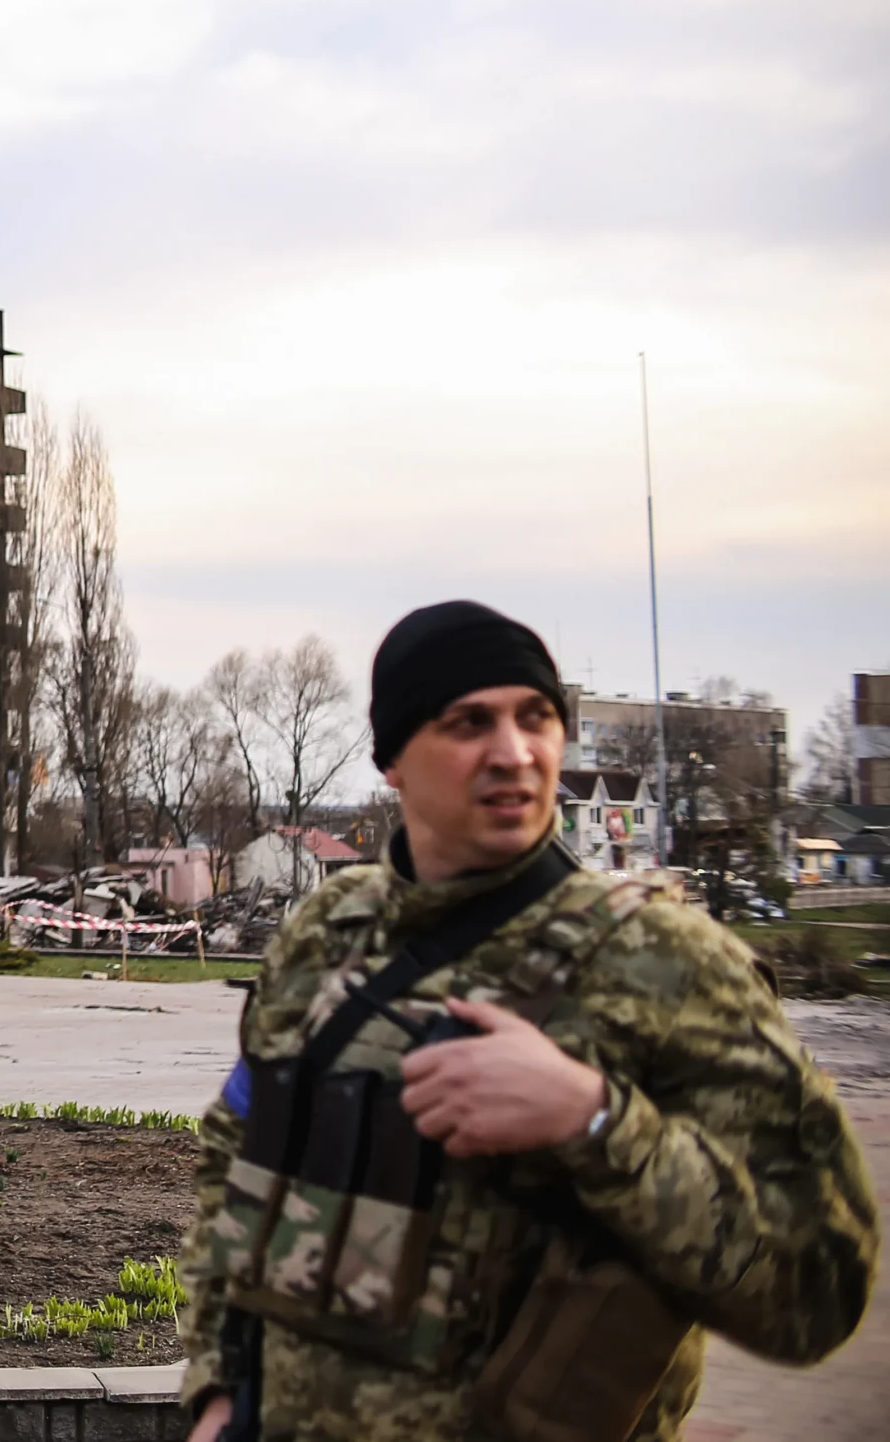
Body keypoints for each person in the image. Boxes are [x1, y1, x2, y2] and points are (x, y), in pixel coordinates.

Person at [181, 601, 876, 1442]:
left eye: (536, 717)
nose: (514, 752)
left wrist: (595, 1120)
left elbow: (818, 1286)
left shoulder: (668, 962)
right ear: (392, 759)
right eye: (469, 722)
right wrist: (219, 1388)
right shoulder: (327, 931)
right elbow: (234, 1158)